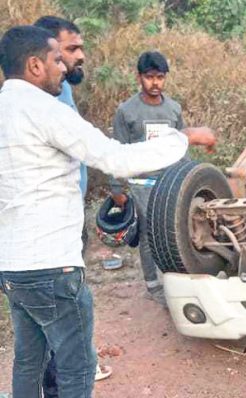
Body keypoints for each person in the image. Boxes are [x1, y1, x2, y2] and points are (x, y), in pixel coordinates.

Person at [0, 26, 215, 397]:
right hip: (53, 265)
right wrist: (185, 137)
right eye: (56, 60)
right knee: (77, 367)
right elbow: (116, 157)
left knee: (29, 362)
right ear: (35, 65)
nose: (63, 67)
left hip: (13, 267)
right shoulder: (44, 110)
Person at [33, 15, 111, 397]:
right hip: (47, 227)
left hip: (66, 218)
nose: (80, 56)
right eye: (71, 49)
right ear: (45, 56)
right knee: (63, 315)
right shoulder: (41, 100)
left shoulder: (61, 91)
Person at [107, 51, 205, 305]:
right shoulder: (127, 111)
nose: (155, 83)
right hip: (142, 183)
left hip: (170, 181)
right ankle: (153, 284)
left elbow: (182, 147)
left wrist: (190, 177)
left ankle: (177, 280)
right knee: (150, 232)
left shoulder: (173, 109)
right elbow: (116, 150)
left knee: (176, 229)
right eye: (149, 77)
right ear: (139, 77)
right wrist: (116, 188)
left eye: (160, 77)